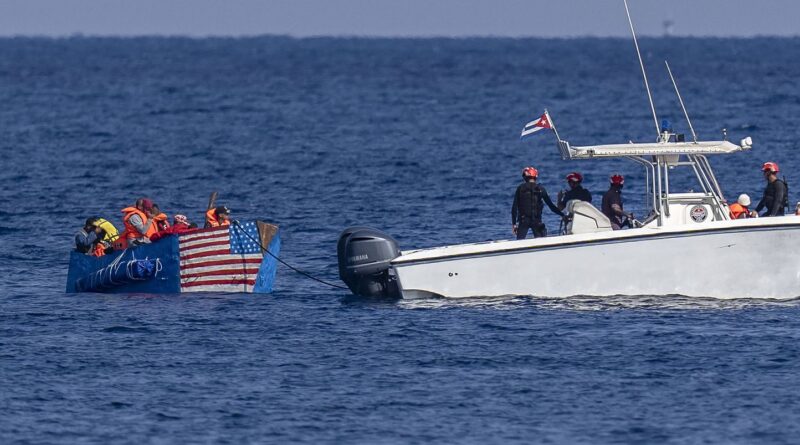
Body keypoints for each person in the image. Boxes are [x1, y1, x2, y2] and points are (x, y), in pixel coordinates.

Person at [511, 166, 564, 239]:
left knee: (519, 242)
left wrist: (514, 224)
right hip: (537, 221)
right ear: (535, 177)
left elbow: (514, 208)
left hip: (523, 221)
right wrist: (562, 215)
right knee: (541, 242)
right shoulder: (541, 189)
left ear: (525, 177)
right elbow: (551, 206)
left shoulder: (520, 188)